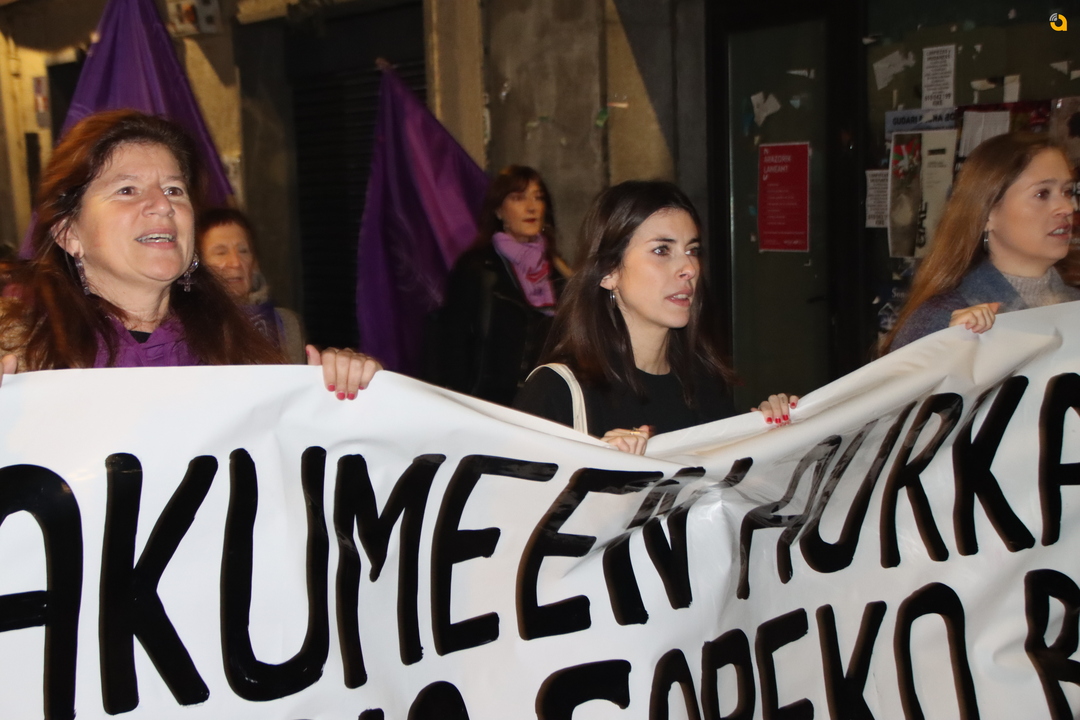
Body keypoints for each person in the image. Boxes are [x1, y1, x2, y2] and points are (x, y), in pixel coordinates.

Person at [0, 109, 379, 397]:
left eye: (174, 190)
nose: (162, 206)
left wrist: (353, 393)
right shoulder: (18, 351)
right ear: (68, 234)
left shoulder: (250, 347)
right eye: (127, 190)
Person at [514, 180, 795, 455]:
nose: (689, 268)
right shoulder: (558, 391)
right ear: (609, 272)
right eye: (662, 250)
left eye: (692, 250)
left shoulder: (704, 386)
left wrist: (774, 437)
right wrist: (598, 470)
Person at [886, 132, 1080, 352]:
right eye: (1042, 194)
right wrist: (950, 351)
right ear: (987, 214)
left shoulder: (1073, 307)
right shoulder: (944, 319)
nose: (1067, 207)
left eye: (1067, 192)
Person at [437, 165, 571, 406]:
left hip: (543, 404)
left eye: (538, 197)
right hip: (486, 404)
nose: (531, 207)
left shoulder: (558, 271)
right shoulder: (478, 268)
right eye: (518, 198)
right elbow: (452, 346)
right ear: (499, 210)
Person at [197, 207, 306, 363]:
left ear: (254, 264)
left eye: (243, 251)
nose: (235, 262)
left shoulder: (287, 325)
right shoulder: (183, 330)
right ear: (197, 266)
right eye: (221, 252)